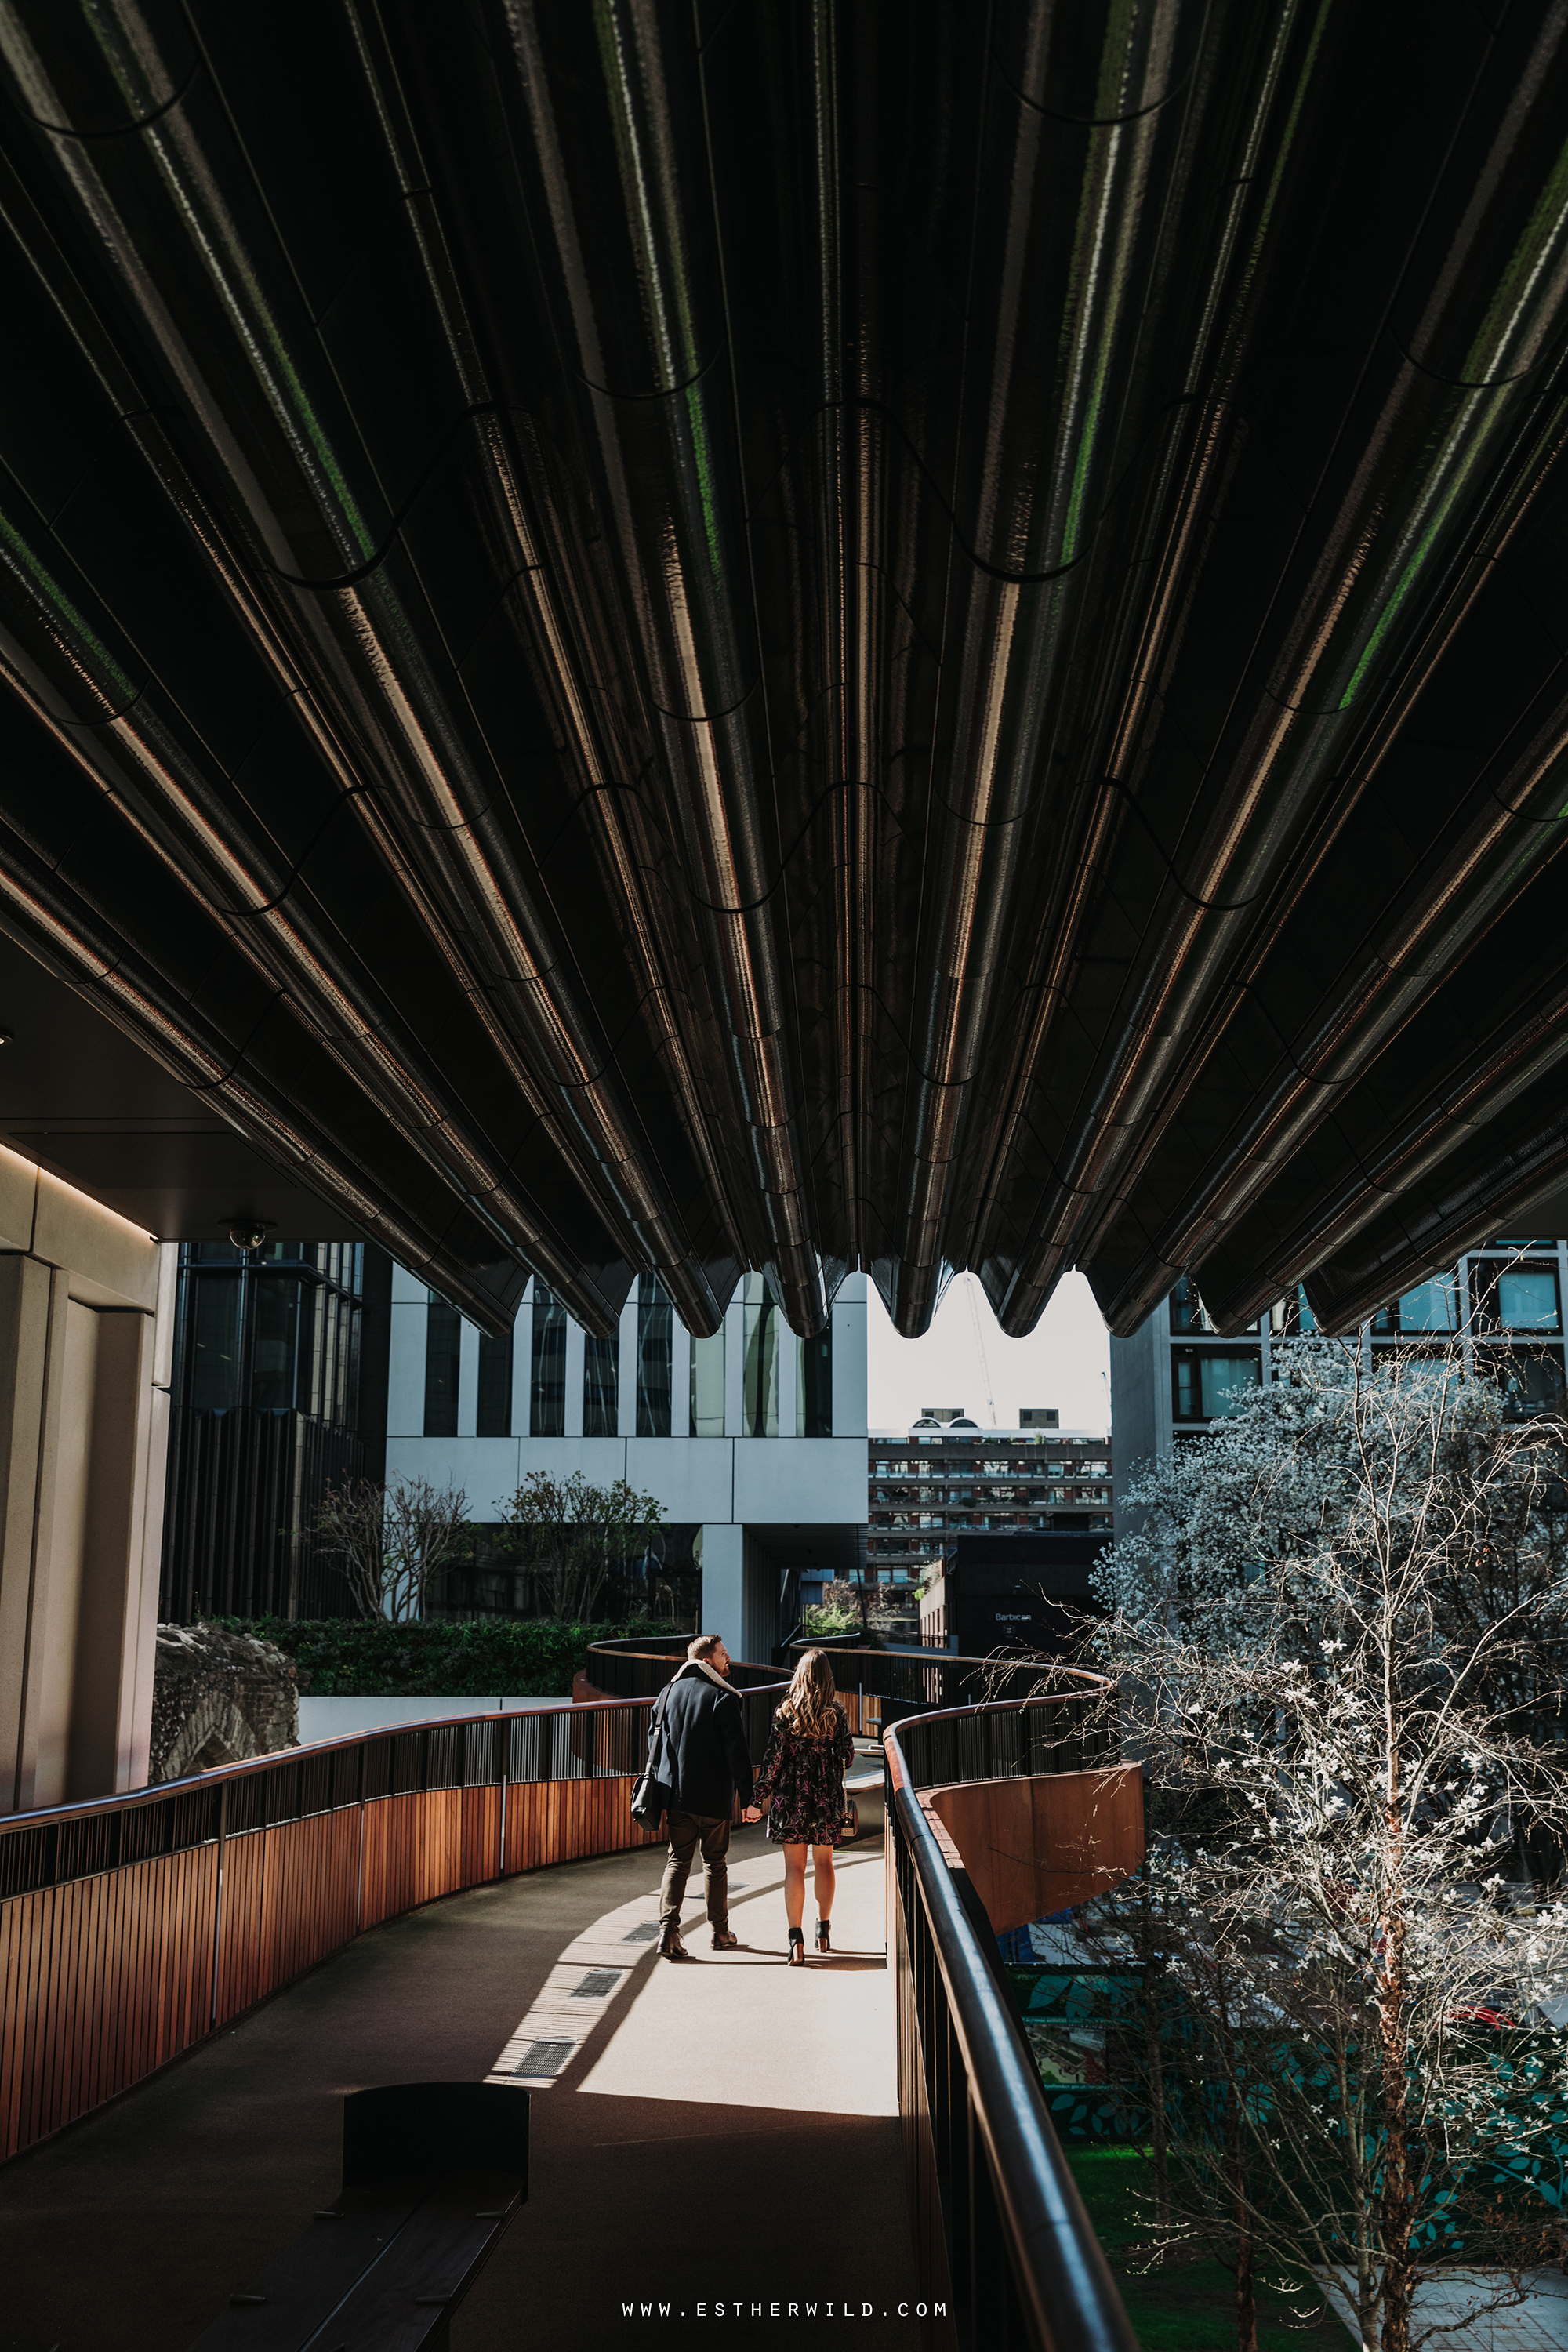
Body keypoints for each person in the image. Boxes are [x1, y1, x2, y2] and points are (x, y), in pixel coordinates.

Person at [742, 1647, 855, 1966]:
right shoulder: (837, 1712)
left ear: (801, 1675)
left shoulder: (786, 1711)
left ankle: (796, 1940)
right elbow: (847, 1755)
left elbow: (772, 1761)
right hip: (826, 1799)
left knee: (793, 1869)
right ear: (827, 1676)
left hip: (791, 1799)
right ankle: (823, 1929)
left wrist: (756, 1800)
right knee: (825, 1864)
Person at [653, 1633, 755, 1961]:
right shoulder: (722, 1697)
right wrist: (749, 1798)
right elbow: (738, 1753)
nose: (729, 1659)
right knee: (715, 1864)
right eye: (724, 1654)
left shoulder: (667, 1694)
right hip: (713, 1797)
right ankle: (721, 1932)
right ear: (707, 1660)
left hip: (677, 1795)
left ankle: (668, 1934)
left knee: (678, 1860)